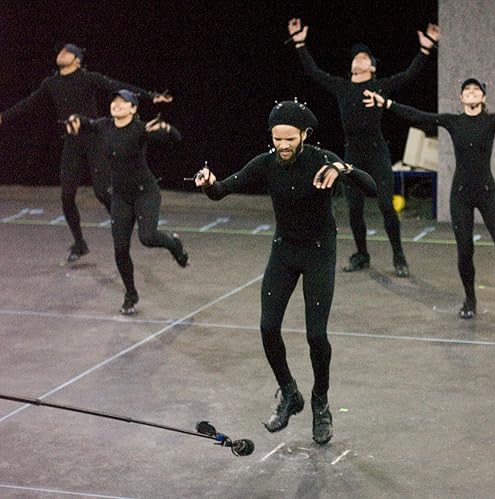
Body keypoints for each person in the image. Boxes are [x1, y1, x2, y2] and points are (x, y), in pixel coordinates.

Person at [195, 101, 376, 445]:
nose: (283, 145)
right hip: (285, 251)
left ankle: (320, 402)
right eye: (277, 139)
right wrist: (208, 183)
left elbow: (373, 188)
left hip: (319, 252)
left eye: (290, 139)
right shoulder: (266, 163)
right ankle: (290, 394)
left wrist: (343, 168)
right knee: (268, 327)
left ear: (304, 135)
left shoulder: (322, 160)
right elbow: (220, 191)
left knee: (316, 336)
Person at [362, 79, 495, 322]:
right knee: (465, 250)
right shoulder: (453, 121)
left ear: (483, 98)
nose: (471, 92)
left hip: (487, 192)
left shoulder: (492, 120)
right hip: (461, 195)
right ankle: (470, 300)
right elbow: (418, 115)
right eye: (467, 90)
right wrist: (386, 103)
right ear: (461, 98)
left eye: (476, 89)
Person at [286, 18, 441, 277]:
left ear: (372, 66)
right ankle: (362, 255)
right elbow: (313, 71)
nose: (358, 60)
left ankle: (398, 255)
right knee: (354, 209)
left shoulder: (379, 86)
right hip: (352, 154)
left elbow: (409, 75)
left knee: (386, 206)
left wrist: (426, 48)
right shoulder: (342, 86)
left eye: (364, 57)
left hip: (377, 152)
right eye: (355, 58)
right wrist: (299, 43)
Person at [0, 43, 173, 263]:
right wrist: (3, 117)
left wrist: (150, 96)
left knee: (102, 192)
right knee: (66, 197)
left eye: (66, 52)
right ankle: (80, 244)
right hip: (72, 143)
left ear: (77, 60)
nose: (61, 54)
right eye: (60, 51)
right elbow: (29, 103)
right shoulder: (51, 83)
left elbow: (116, 85)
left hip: (95, 141)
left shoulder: (88, 78)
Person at [65, 90, 186, 315]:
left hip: (145, 192)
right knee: (120, 250)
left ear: (133, 108)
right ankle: (131, 295)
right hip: (121, 196)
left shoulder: (140, 129)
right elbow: (85, 122)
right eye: (114, 101)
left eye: (123, 102)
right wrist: (75, 119)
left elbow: (176, 138)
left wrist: (167, 129)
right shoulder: (104, 125)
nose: (117, 104)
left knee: (147, 237)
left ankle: (174, 245)